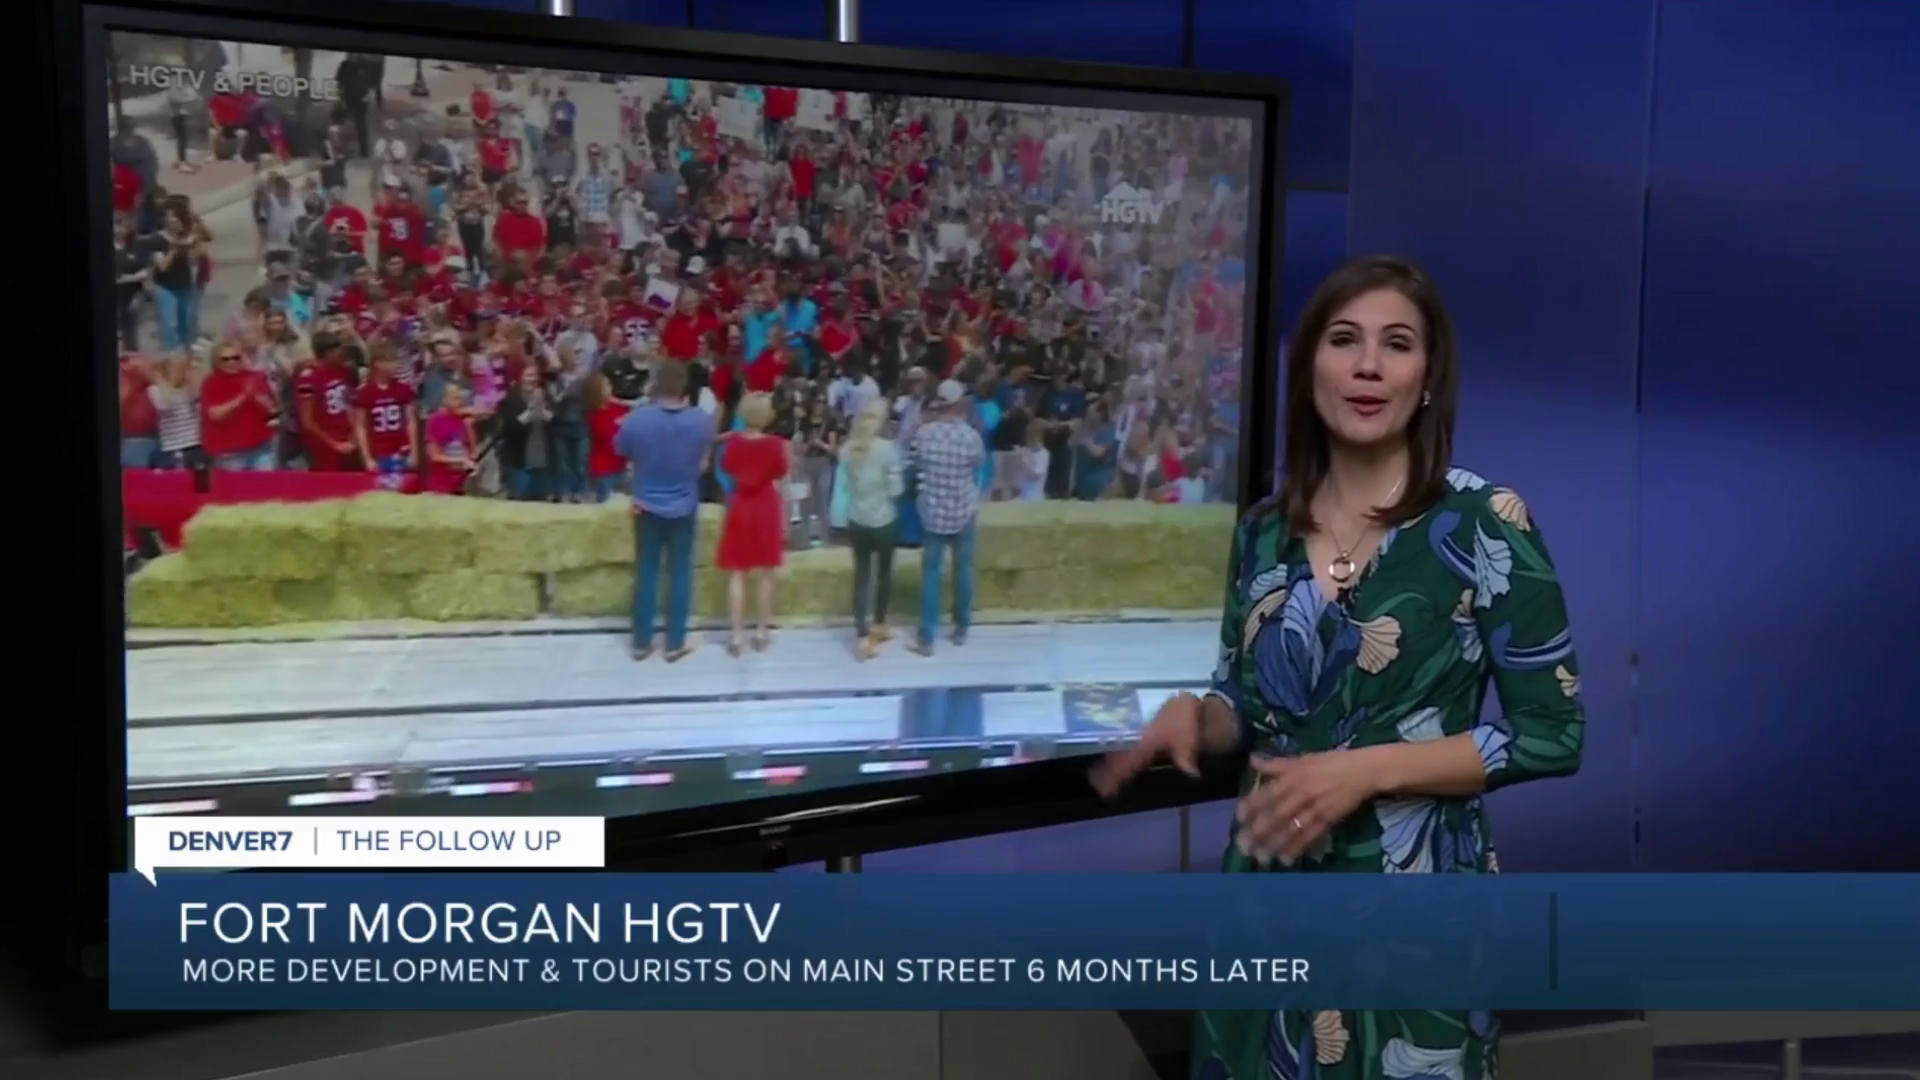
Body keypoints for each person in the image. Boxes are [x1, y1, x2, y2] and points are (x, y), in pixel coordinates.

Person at [1091, 257, 1586, 1080]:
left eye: (1397, 344)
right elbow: (1247, 704)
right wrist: (1198, 716)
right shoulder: (1262, 531)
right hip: (1268, 899)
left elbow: (1554, 733)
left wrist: (1364, 772)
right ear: (1310, 368)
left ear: (1426, 380)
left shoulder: (1485, 522)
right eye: (1345, 339)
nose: (1368, 366)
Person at [615, 360, 714, 663]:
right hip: (683, 505)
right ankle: (674, 643)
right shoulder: (701, 421)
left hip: (645, 504)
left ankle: (641, 642)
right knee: (680, 573)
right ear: (685, 386)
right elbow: (703, 463)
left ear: (656, 384)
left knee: (646, 572)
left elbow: (620, 449)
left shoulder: (638, 419)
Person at [906, 379, 985, 656]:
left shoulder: (924, 434)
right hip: (963, 510)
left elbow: (913, 464)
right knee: (963, 571)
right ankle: (961, 627)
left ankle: (927, 636)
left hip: (933, 511)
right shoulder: (971, 437)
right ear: (959, 403)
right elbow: (978, 465)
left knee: (931, 574)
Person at [714, 393, 788, 657]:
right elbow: (780, 472)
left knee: (737, 572)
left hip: (741, 505)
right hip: (766, 506)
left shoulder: (733, 443)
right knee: (767, 572)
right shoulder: (775, 445)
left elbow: (726, 466)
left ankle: (735, 635)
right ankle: (761, 631)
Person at [839, 399, 905, 661]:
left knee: (862, 575)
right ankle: (879, 624)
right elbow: (896, 490)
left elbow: (846, 487)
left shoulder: (847, 449)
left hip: (857, 519)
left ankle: (861, 634)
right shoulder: (887, 449)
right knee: (884, 575)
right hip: (883, 520)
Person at [200, 340, 279, 470]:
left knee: (266, 482)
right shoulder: (212, 383)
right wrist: (242, 398)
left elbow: (271, 410)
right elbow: (214, 414)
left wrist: (262, 401)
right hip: (231, 452)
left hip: (261, 446)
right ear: (216, 362)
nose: (231, 362)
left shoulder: (255, 377)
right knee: (236, 483)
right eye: (225, 359)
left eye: (235, 358)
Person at [583, 372, 629, 502]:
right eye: (606, 385)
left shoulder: (619, 408)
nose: (610, 388)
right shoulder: (594, 415)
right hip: (604, 470)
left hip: (622, 467)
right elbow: (608, 437)